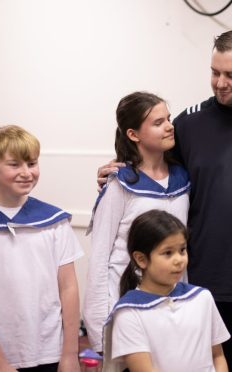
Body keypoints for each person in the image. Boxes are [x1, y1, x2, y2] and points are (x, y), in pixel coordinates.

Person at [97, 29, 232, 371]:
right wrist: (115, 168)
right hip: (204, 287)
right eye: (214, 72)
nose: (220, 83)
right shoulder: (188, 124)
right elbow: (151, 165)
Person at [0, 125, 83, 371]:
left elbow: (68, 288)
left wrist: (70, 354)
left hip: (51, 352)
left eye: (32, 163)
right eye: (14, 165)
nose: (26, 172)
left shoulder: (54, 221)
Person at [83, 92, 190, 353]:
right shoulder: (121, 183)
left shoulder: (182, 177)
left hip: (172, 306)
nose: (169, 126)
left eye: (168, 118)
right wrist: (99, 330)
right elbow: (99, 259)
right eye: (157, 122)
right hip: (126, 305)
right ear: (133, 134)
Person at [102, 209, 229, 372]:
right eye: (168, 253)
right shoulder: (128, 313)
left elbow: (217, 356)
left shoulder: (202, 298)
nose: (179, 260)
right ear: (141, 259)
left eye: (182, 250)